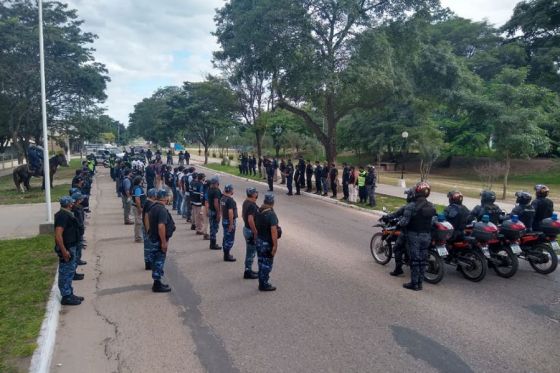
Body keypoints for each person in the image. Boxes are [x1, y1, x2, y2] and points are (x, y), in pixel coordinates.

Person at [398, 182, 437, 291]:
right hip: (427, 236)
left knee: (415, 260)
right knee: (423, 260)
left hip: (414, 235)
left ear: (416, 192)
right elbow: (434, 220)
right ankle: (420, 283)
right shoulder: (431, 205)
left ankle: (414, 284)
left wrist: (399, 223)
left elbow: (404, 222)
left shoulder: (411, 206)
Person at [54, 196, 83, 305]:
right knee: (65, 272)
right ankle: (66, 296)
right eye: (72, 203)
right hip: (67, 247)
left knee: (70, 271)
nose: (73, 204)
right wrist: (64, 250)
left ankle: (69, 293)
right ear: (69, 204)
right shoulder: (62, 216)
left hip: (71, 246)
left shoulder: (66, 213)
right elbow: (58, 235)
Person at [146, 189, 175, 292]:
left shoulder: (153, 207)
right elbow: (161, 226)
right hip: (158, 240)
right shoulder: (161, 209)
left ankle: (157, 283)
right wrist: (163, 242)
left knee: (155, 261)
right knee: (159, 262)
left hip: (153, 238)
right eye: (168, 196)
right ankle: (157, 285)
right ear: (164, 197)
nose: (169, 198)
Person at [383, 188, 415, 276]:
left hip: (409, 233)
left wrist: (389, 218)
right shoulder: (427, 205)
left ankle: (398, 270)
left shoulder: (409, 206)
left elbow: (397, 215)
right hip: (424, 233)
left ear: (411, 196)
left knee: (397, 248)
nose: (407, 197)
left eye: (408, 195)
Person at [255, 192, 280, 291]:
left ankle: (261, 282)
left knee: (260, 262)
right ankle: (264, 284)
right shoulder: (271, 214)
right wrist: (275, 246)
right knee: (267, 264)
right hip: (266, 243)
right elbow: (274, 231)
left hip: (259, 240)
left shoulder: (258, 210)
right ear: (272, 202)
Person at [242, 188, 259, 279]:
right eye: (255, 192)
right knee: (251, 252)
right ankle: (248, 271)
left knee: (250, 251)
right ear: (253, 194)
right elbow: (250, 219)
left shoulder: (246, 202)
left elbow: (242, 215)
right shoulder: (252, 205)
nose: (257, 193)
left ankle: (248, 269)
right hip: (250, 231)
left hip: (246, 228)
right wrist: (255, 232)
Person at [220, 184, 238, 262]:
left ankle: (226, 254)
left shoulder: (223, 198)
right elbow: (230, 212)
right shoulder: (230, 200)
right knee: (230, 239)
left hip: (224, 220)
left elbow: (221, 209)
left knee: (225, 237)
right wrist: (231, 224)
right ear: (230, 190)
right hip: (229, 221)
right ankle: (227, 256)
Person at [142, 188, 158, 270]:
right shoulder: (150, 204)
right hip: (147, 228)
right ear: (153, 196)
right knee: (149, 247)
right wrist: (148, 230)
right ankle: (149, 263)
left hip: (145, 227)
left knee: (147, 247)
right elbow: (146, 217)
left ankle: (148, 263)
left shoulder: (147, 202)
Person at [71, 192, 87, 267]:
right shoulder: (74, 209)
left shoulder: (79, 207)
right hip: (76, 231)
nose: (82, 199)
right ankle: (77, 260)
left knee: (79, 246)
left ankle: (78, 259)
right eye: (81, 198)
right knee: (78, 247)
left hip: (80, 230)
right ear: (78, 200)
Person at [207, 176, 223, 250]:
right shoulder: (216, 191)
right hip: (214, 211)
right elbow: (216, 203)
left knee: (212, 227)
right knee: (214, 228)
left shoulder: (210, 189)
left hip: (210, 210)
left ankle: (212, 243)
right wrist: (218, 213)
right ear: (217, 183)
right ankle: (213, 244)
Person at [191, 173, 206, 237]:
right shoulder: (201, 184)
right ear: (202, 178)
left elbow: (192, 192)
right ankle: (199, 230)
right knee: (200, 217)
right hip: (199, 203)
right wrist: (203, 203)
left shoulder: (194, 183)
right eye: (204, 177)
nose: (204, 178)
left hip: (194, 201)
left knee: (196, 216)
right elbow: (201, 195)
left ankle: (197, 228)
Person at [132, 176, 146, 243]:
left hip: (136, 206)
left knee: (138, 222)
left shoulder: (135, 187)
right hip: (137, 207)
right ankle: (138, 238)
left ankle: (138, 237)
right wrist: (139, 208)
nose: (143, 181)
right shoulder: (138, 188)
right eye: (142, 180)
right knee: (139, 223)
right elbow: (137, 199)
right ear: (140, 181)